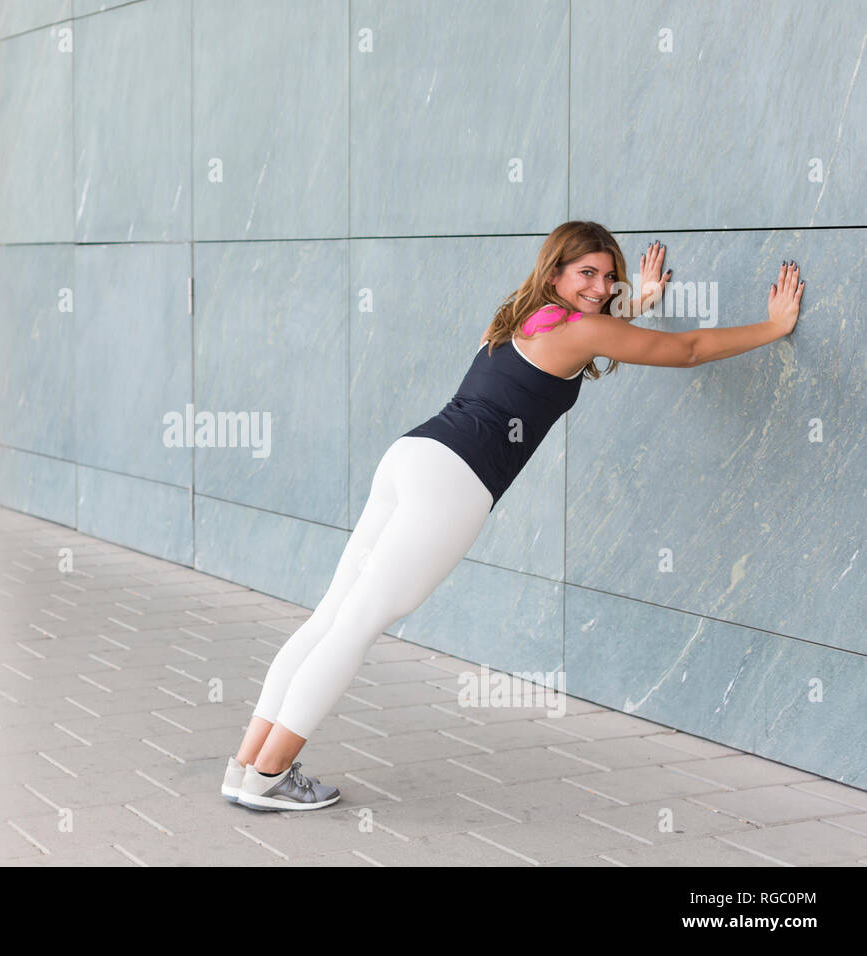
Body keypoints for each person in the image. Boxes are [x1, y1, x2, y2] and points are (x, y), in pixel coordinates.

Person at [221, 220, 806, 811]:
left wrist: (634, 302)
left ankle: (246, 765)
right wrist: (774, 326)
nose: (601, 286)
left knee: (332, 615)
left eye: (609, 277)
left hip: (411, 456)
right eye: (587, 274)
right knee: (358, 622)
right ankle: (271, 776)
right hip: (452, 481)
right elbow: (688, 351)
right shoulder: (582, 329)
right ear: (556, 272)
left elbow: (584, 340)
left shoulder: (517, 317)